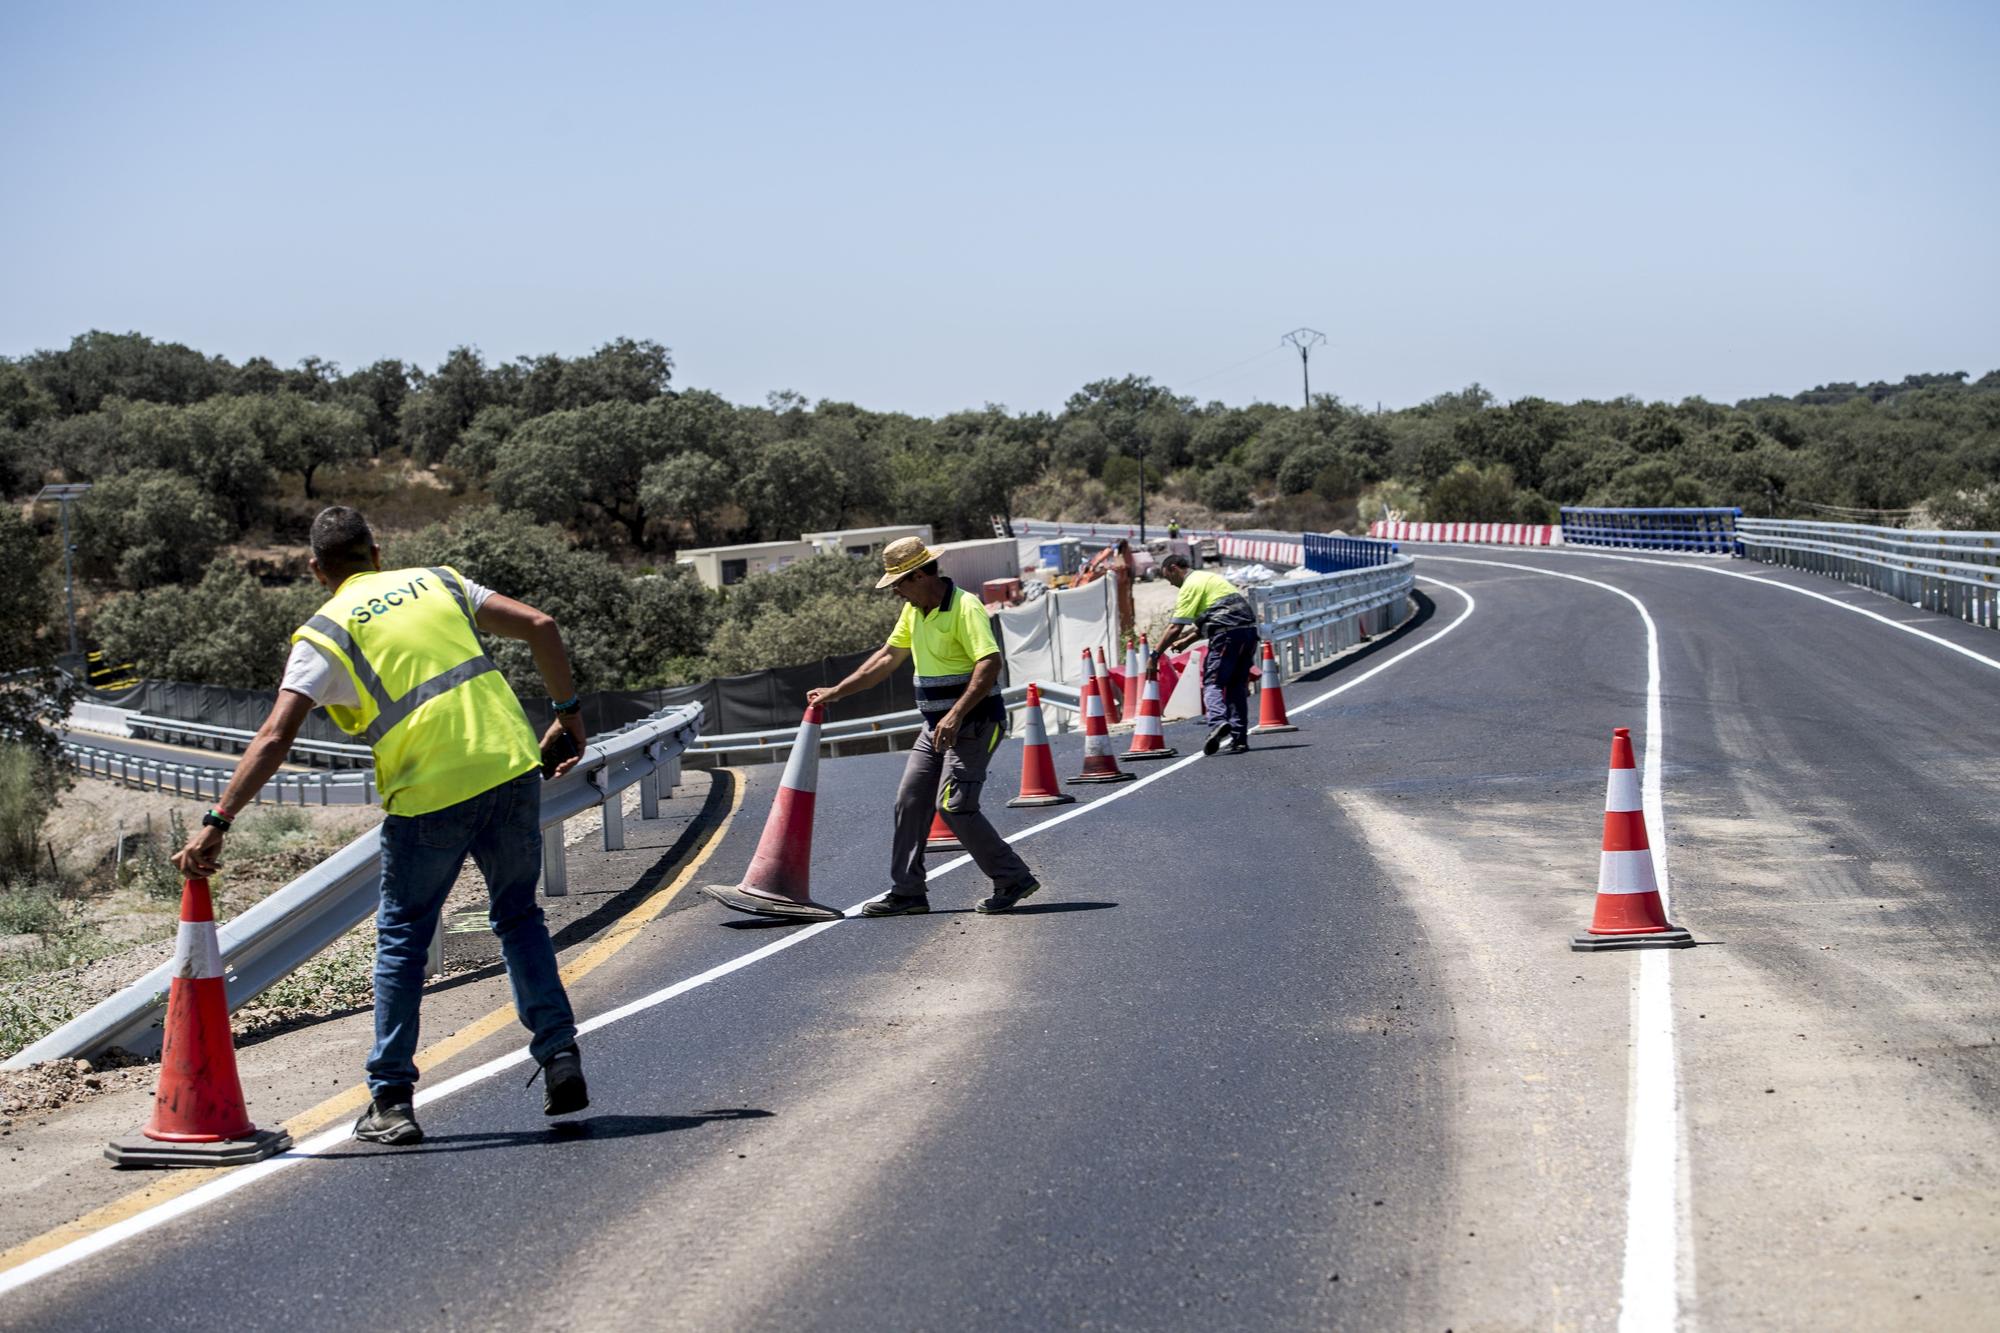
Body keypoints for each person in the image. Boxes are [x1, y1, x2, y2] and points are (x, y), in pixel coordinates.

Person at [172, 506, 590, 1147]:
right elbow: (541, 625)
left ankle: (392, 1101)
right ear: (376, 551)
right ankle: (559, 1053)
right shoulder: (441, 581)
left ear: (317, 569)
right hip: (508, 769)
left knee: (402, 938)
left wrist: (217, 819)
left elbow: (276, 734)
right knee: (517, 916)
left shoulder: (323, 633)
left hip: (427, 795)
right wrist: (566, 714)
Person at [805, 537, 1041, 916]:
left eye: (898, 583)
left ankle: (1012, 877)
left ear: (919, 575)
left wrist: (956, 714)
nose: (896, 592)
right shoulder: (915, 611)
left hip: (975, 723)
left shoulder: (966, 607)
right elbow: (885, 660)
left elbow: (989, 663)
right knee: (910, 802)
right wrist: (836, 692)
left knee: (954, 805)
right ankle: (908, 893)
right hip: (935, 727)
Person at [1151, 552, 1260, 755]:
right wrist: (1187, 642)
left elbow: (1175, 627)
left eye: (1169, 578)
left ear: (1174, 568)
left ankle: (1218, 722)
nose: (1171, 584)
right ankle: (1239, 740)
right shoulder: (1210, 578)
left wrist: (1154, 655)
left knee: (1213, 683)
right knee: (1236, 686)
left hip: (1226, 637)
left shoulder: (1190, 585)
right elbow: (1216, 614)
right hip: (1249, 633)